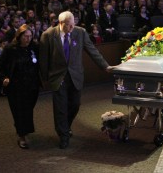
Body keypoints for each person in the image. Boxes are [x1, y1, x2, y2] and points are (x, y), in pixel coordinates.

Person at [39, 11, 115, 149]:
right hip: (58, 77)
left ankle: (65, 126)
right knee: (60, 108)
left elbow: (92, 50)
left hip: (75, 76)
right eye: (69, 25)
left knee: (75, 105)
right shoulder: (48, 35)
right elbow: (44, 59)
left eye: (73, 24)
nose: (72, 27)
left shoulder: (80, 32)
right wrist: (45, 78)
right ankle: (63, 136)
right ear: (61, 24)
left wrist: (105, 66)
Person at [0, 24, 40, 149]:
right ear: (19, 36)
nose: (28, 39)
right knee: (19, 110)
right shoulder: (11, 49)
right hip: (16, 86)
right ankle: (22, 136)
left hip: (32, 84)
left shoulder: (34, 47)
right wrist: (4, 77)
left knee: (28, 109)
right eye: (26, 36)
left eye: (30, 36)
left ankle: (23, 130)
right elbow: (1, 65)